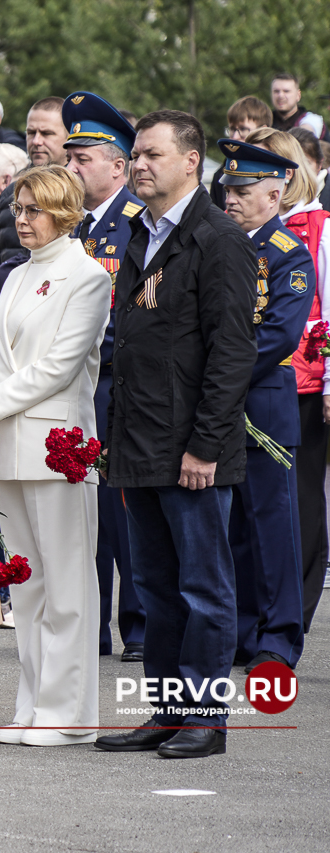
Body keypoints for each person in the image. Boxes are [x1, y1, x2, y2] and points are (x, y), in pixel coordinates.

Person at [96, 110, 257, 759]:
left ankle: (205, 718)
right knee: (157, 590)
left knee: (204, 588)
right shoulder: (141, 232)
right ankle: (166, 709)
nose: (139, 164)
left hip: (191, 447)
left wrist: (207, 445)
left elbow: (231, 352)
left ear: (191, 161)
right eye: (135, 154)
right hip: (140, 442)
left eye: (152, 154)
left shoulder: (218, 238)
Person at [0, 165, 110, 746]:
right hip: (13, 442)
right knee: (27, 585)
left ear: (65, 213)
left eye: (34, 209)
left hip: (59, 444)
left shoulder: (87, 276)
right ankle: (32, 704)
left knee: (69, 583)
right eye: (17, 209)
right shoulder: (18, 274)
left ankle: (69, 714)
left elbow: (61, 366)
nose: (22, 219)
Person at [216, 138, 314, 673]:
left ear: (274, 195)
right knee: (232, 529)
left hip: (262, 407)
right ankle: (240, 630)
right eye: (227, 188)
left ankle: (279, 637)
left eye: (243, 190)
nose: (230, 197)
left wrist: (215, 375)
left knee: (272, 527)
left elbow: (277, 335)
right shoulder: (216, 246)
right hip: (218, 407)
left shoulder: (288, 255)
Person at [61, 92, 147, 661]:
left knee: (124, 510)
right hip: (75, 385)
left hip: (119, 382)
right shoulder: (67, 226)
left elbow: (138, 310)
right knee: (80, 510)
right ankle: (89, 622)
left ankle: (138, 627)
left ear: (118, 166)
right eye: (69, 156)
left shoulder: (138, 224)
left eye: (82, 157)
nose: (71, 167)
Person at [254, 128, 330, 632]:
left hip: (305, 382)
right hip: (255, 382)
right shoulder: (240, 229)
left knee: (300, 503)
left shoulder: (319, 227)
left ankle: (295, 615)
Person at [0, 98, 66, 284]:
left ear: (68, 136)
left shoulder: (77, 196)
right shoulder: (11, 193)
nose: (36, 141)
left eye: (46, 133)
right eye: (31, 132)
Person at [210, 97, 272, 210]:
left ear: (263, 131)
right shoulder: (221, 175)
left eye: (243, 130)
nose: (235, 137)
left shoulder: (275, 172)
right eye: (232, 129)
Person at [270, 74, 327, 140]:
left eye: (286, 91)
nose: (280, 95)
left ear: (298, 95)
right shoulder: (264, 120)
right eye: (276, 91)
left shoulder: (312, 120)